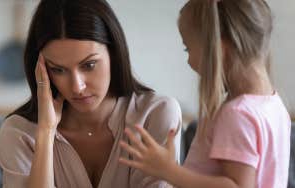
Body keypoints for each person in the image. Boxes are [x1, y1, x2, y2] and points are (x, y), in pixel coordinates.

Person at [0, 0, 182, 187]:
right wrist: (45, 132)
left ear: (114, 53)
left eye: (89, 65)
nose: (77, 87)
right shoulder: (19, 133)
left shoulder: (156, 115)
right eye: (58, 70)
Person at [119, 0, 291, 187]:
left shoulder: (237, 114)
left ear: (218, 49)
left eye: (188, 49)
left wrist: (169, 171)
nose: (189, 61)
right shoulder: (275, 105)